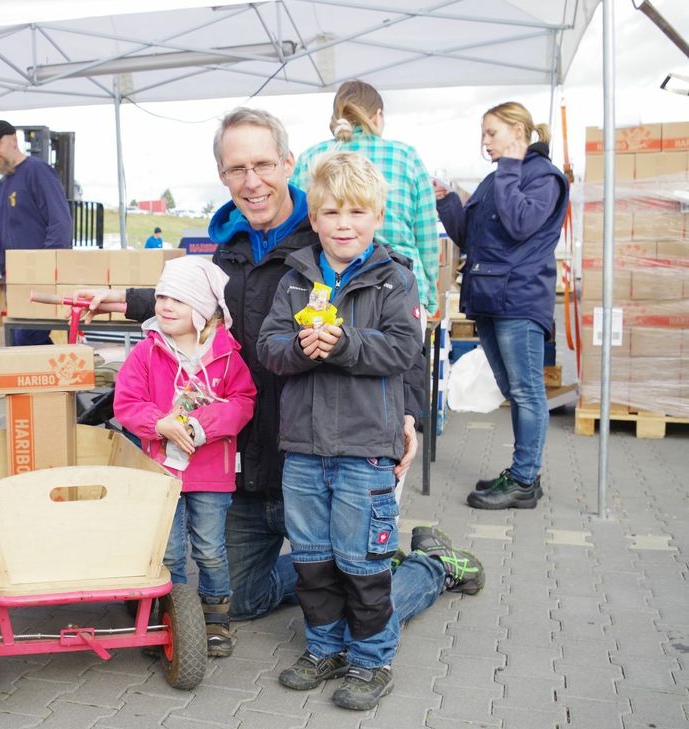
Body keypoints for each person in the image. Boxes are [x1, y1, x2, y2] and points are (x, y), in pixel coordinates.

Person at [79, 109, 480, 633]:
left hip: (325, 450)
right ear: (222, 176)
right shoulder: (228, 250)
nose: (252, 181)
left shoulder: (332, 235)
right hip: (250, 461)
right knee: (241, 598)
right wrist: (125, 300)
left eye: (264, 164)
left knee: (357, 590)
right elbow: (205, 298)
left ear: (288, 163)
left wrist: (408, 413)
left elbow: (400, 334)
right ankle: (362, 566)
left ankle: (427, 568)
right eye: (236, 169)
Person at [256, 151, 425, 709]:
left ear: (376, 216)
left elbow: (404, 347)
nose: (343, 223)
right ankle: (324, 647)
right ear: (314, 218)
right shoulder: (295, 279)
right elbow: (269, 349)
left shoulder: (393, 278)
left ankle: (371, 661)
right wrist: (302, 352)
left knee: (363, 563)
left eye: (356, 212)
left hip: (365, 451)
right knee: (312, 560)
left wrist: (346, 344)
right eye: (330, 212)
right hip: (302, 451)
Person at [113, 256, 256, 657]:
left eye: (178, 298)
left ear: (203, 308)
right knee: (170, 550)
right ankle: (170, 621)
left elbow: (243, 401)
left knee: (210, 549)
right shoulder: (146, 352)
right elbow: (127, 402)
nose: (165, 305)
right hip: (163, 473)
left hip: (211, 472)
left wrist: (203, 425)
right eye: (161, 296)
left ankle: (214, 621)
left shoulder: (228, 356)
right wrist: (160, 423)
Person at [435, 102, 568, 510]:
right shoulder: (496, 179)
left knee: (527, 392)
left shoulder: (544, 177)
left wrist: (510, 167)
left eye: (492, 132)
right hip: (489, 297)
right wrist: (448, 201)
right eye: (483, 133)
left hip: (519, 298)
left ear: (518, 130)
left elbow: (519, 224)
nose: (485, 141)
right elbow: (470, 238)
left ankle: (524, 481)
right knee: (514, 390)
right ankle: (522, 472)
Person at [291, 80, 440, 318]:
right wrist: (430, 295)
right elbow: (427, 237)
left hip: (328, 290)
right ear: (378, 116)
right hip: (403, 287)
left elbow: (298, 230)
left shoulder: (312, 157)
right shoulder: (405, 156)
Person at [0, 119, 73, 346]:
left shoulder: (38, 172)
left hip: (38, 284)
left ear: (13, 140)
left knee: (25, 342)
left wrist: (42, 271)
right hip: (14, 285)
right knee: (19, 343)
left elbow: (60, 225)